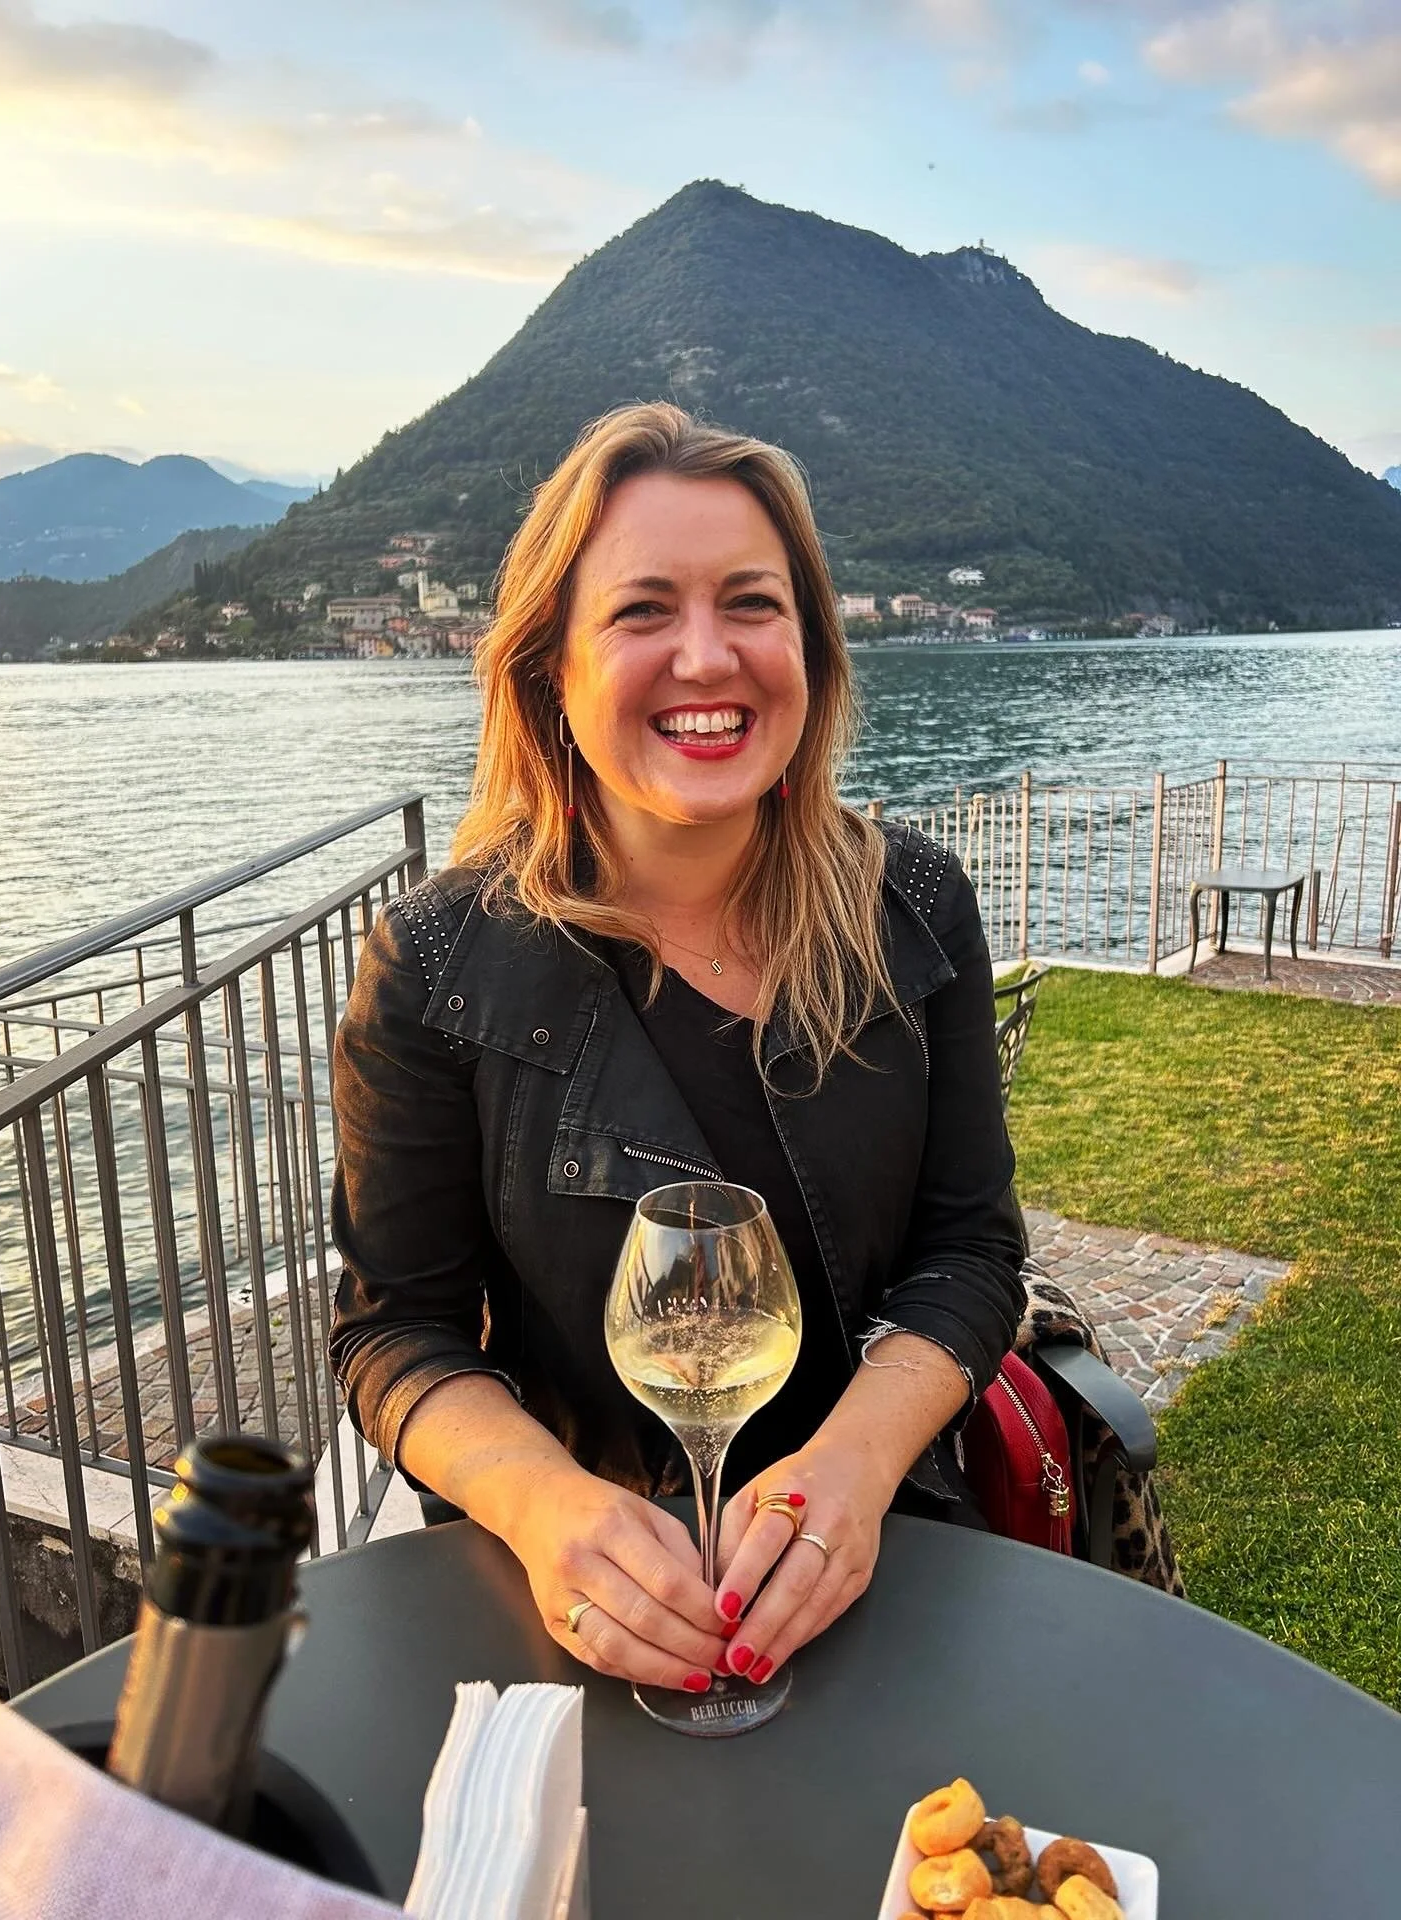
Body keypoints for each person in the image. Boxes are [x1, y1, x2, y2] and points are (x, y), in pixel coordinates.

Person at [329, 402, 1026, 1698]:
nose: (706, 658)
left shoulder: (915, 909)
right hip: (583, 1612)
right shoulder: (436, 964)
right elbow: (396, 1334)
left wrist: (858, 1464)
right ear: (552, 669)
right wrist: (545, 1506)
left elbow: (970, 1254)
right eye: (643, 611)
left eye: (751, 604)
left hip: (889, 1572)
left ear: (809, 648)